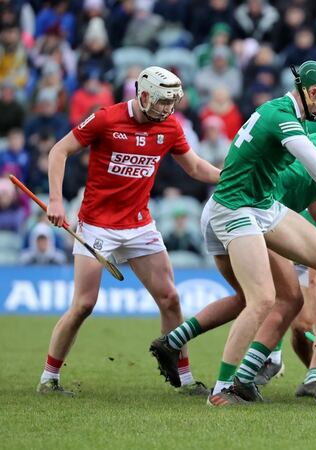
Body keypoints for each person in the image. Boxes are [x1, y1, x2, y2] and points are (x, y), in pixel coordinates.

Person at [171, 61, 316, 407]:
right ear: (313, 92)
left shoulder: (300, 116)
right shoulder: (282, 116)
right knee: (261, 299)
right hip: (235, 207)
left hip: (262, 205)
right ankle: (221, 390)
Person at [38, 66, 220, 397]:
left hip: (139, 226)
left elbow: (195, 167)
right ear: (145, 95)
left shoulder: (169, 127)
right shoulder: (106, 119)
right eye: (164, 101)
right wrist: (55, 201)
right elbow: (58, 151)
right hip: (96, 225)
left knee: (171, 298)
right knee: (84, 304)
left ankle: (185, 378)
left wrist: (232, 178)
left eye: (173, 102)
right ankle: (49, 378)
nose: (168, 109)